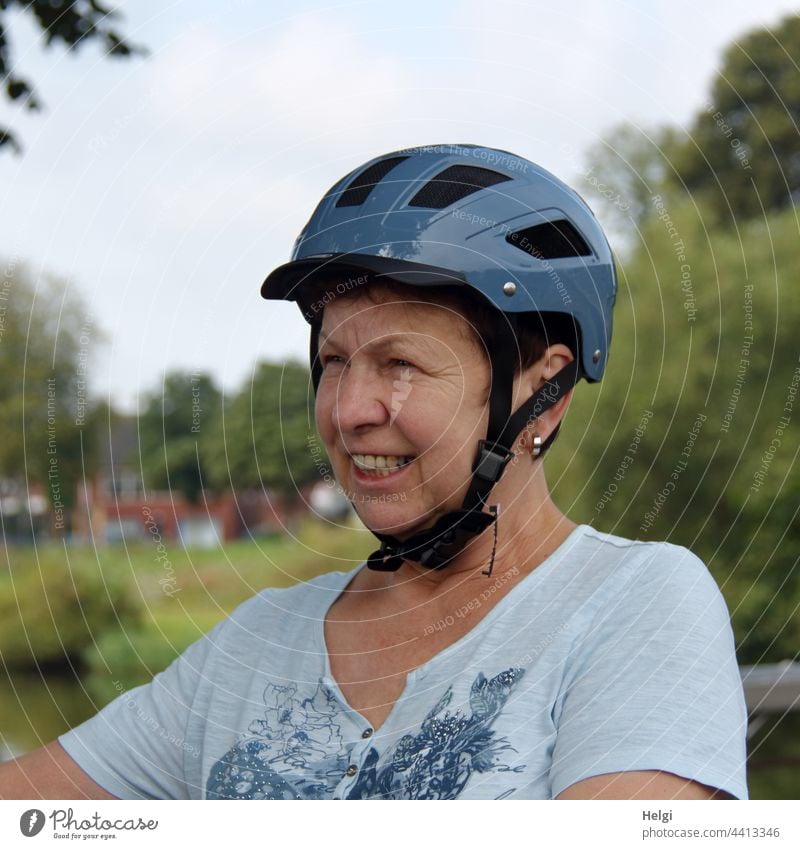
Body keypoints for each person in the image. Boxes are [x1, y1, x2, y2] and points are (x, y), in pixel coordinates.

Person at [0, 144, 748, 800]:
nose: (350, 409)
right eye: (333, 361)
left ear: (542, 393)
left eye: (401, 364)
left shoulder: (636, 607)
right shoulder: (258, 640)